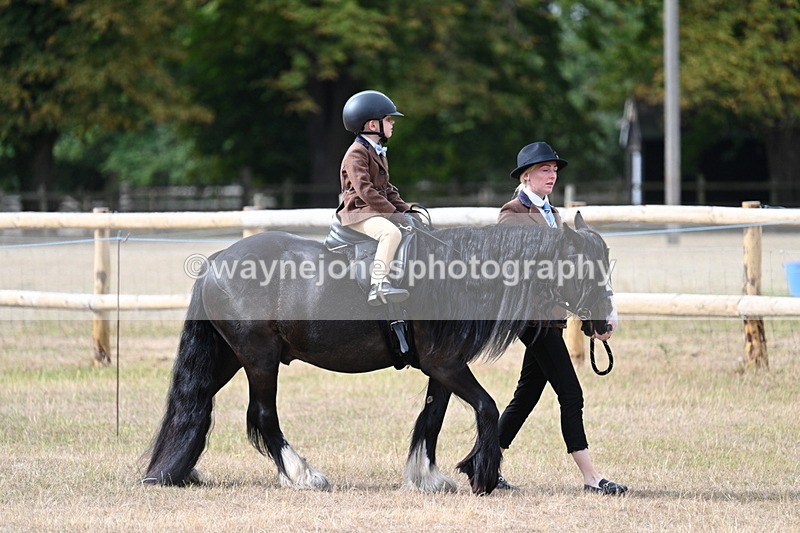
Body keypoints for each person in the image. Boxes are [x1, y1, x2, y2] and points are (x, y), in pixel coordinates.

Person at [495, 141, 627, 495]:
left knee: (526, 396)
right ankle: (591, 478)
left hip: (551, 318)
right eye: (544, 170)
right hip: (531, 319)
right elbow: (514, 269)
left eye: (554, 170)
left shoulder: (555, 214)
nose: (552, 175)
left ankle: (486, 465)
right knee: (571, 393)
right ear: (526, 175)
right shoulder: (513, 213)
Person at [337, 90, 413, 306]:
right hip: (358, 213)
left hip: (371, 209)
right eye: (388, 119)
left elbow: (387, 188)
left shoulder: (376, 152)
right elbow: (366, 190)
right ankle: (378, 284)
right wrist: (393, 215)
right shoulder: (356, 153)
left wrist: (406, 210)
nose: (392, 123)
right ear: (373, 125)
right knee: (390, 233)